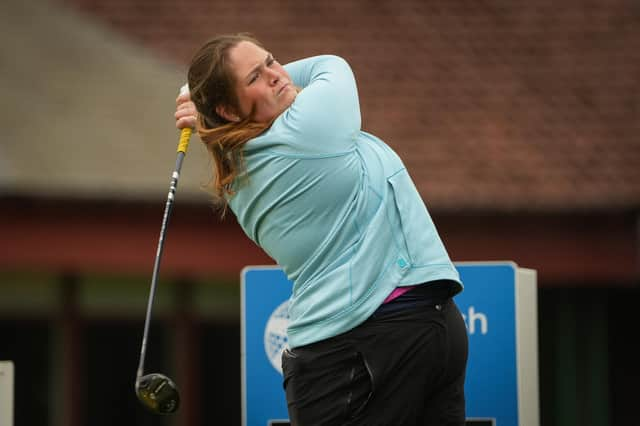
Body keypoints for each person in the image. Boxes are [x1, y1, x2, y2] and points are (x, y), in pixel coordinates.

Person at [175, 33, 468, 426]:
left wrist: (211, 104)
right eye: (255, 78)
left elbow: (251, 105)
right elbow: (331, 64)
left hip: (401, 333)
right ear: (229, 111)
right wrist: (206, 102)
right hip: (362, 349)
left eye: (271, 61)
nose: (276, 75)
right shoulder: (307, 129)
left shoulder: (240, 166)